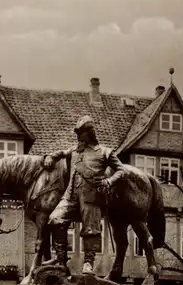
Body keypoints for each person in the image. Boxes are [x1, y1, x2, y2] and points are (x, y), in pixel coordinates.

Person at [45, 115, 125, 275]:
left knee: (90, 229)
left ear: (89, 133)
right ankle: (61, 261)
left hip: (91, 197)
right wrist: (50, 157)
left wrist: (108, 182)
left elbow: (121, 170)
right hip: (70, 196)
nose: (78, 137)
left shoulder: (104, 152)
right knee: (54, 219)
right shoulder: (75, 150)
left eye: (80, 133)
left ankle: (88, 262)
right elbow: (61, 153)